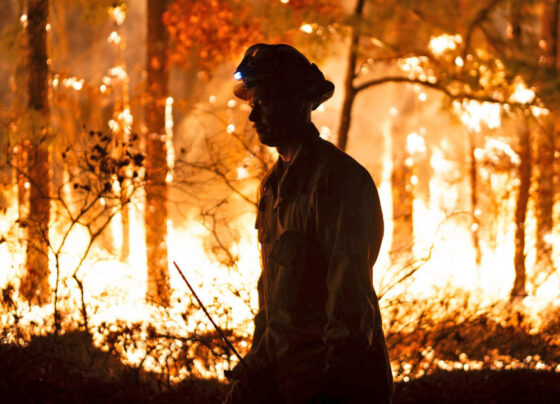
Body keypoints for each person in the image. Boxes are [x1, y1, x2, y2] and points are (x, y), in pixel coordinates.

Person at [224, 44, 393, 404]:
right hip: (285, 376)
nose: (253, 117)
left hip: (334, 383)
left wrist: (335, 385)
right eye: (252, 105)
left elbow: (348, 301)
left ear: (299, 102)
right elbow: (272, 293)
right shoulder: (273, 186)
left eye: (264, 102)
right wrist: (259, 361)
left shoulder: (337, 181)